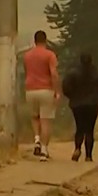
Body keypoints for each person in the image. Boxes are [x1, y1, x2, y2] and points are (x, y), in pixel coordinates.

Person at [61, 53, 98, 162]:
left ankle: (77, 148)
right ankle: (88, 156)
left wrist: (72, 97)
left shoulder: (73, 73)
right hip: (92, 104)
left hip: (77, 104)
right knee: (89, 129)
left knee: (79, 127)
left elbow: (65, 87)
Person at [23, 30, 60, 161]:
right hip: (46, 89)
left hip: (30, 90)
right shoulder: (50, 55)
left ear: (34, 40)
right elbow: (54, 74)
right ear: (45, 40)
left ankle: (37, 139)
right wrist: (57, 91)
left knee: (34, 117)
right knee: (46, 120)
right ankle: (44, 149)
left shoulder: (27, 56)